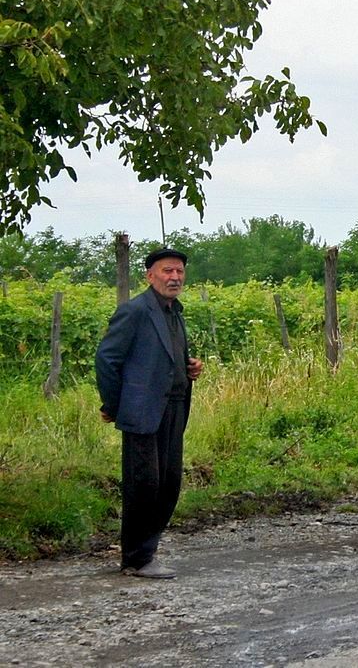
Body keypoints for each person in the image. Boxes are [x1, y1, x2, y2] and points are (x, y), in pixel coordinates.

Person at [96, 247, 204, 579]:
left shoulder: (175, 312)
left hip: (173, 407)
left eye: (179, 272)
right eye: (167, 271)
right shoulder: (136, 311)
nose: (174, 277)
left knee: (169, 485)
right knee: (144, 485)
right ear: (150, 275)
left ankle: (146, 553)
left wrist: (190, 367)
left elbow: (166, 357)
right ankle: (136, 558)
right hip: (142, 412)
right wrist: (115, 406)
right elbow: (107, 359)